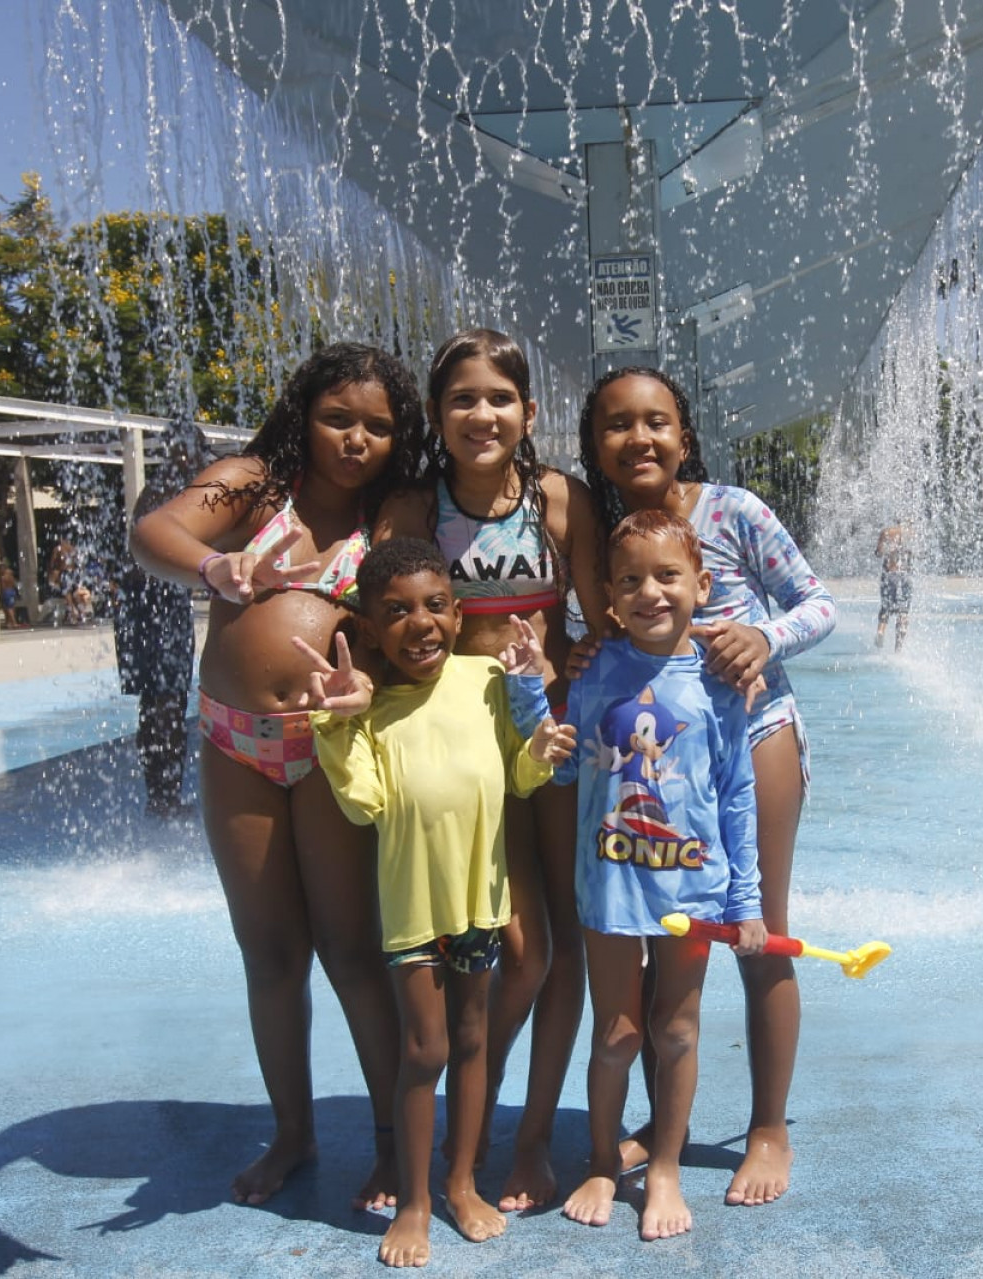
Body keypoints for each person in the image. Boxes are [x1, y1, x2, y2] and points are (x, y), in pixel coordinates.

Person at [131, 343, 424, 1209]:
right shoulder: (252, 485)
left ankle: (385, 1139)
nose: (357, 439)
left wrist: (375, 677)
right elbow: (154, 531)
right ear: (303, 413)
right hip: (235, 745)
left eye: (378, 425)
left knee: (352, 951)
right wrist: (216, 566)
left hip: (332, 745)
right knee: (269, 954)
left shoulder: (391, 510)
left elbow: (416, 619)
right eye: (339, 418)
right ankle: (293, 1132)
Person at [575, 365, 835, 1207]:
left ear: (684, 434)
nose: (639, 437)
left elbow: (818, 602)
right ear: (595, 444)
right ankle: (662, 1129)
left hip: (748, 732)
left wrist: (764, 638)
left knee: (756, 927)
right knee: (657, 939)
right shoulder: (606, 531)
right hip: (655, 755)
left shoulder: (733, 510)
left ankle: (768, 1127)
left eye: (656, 421)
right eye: (617, 424)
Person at [300, 539, 574, 1268]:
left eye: (432, 605)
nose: (418, 623)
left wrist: (540, 747)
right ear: (369, 628)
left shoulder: (486, 679)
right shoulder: (375, 710)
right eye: (396, 612)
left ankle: (460, 1181)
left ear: (456, 614)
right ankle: (416, 1199)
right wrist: (333, 723)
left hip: (482, 903)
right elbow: (362, 805)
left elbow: (516, 776)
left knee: (475, 1039)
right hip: (414, 910)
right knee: (426, 1048)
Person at [381, 328, 606, 1211]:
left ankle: (533, 1136)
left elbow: (600, 615)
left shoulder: (557, 498)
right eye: (463, 399)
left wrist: (579, 658)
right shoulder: (413, 505)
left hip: (546, 739)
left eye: (500, 398)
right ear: (438, 416)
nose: (483, 414)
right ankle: (466, 1110)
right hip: (457, 754)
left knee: (565, 952)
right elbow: (381, 616)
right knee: (521, 950)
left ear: (529, 411)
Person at [550, 510, 767, 1240]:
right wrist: (531, 701)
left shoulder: (719, 683)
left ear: (701, 585)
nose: (652, 592)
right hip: (609, 885)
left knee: (675, 1028)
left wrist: (746, 901)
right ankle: (606, 1159)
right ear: (609, 598)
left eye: (668, 575)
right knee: (615, 1032)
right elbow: (557, 768)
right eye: (632, 580)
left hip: (693, 891)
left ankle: (666, 1164)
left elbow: (737, 793)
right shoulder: (593, 673)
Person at [115, 420, 211, 816]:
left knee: (159, 704)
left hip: (147, 606)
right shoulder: (170, 489)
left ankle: (162, 796)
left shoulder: (161, 488)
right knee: (165, 704)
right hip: (154, 607)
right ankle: (163, 798)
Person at [873, 520, 912, 650]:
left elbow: (879, 553)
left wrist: (887, 551)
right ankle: (898, 648)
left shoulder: (886, 532)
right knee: (903, 612)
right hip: (904, 576)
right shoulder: (910, 533)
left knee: (885, 608)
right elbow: (915, 553)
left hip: (888, 575)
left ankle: (880, 631)